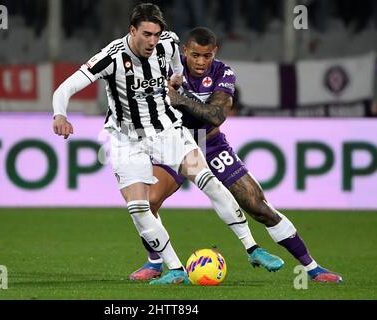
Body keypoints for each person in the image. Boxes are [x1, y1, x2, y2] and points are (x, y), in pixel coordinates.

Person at [53, 3, 276, 285]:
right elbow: (65, 88)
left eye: (156, 34)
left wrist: (176, 78)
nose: (152, 41)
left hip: (167, 131)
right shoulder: (110, 57)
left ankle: (252, 248)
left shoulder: (168, 44)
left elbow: (175, 66)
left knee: (209, 181)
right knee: (138, 207)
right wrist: (60, 114)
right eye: (146, 34)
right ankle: (175, 269)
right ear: (132, 30)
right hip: (125, 139)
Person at [129, 27, 343, 283]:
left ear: (214, 53)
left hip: (211, 145)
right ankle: (155, 262)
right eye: (195, 55)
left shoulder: (223, 73)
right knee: (149, 201)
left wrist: (181, 99)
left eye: (206, 56)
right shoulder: (164, 68)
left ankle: (312, 268)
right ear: (184, 51)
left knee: (257, 205)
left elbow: (217, 115)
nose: (200, 62)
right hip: (175, 145)